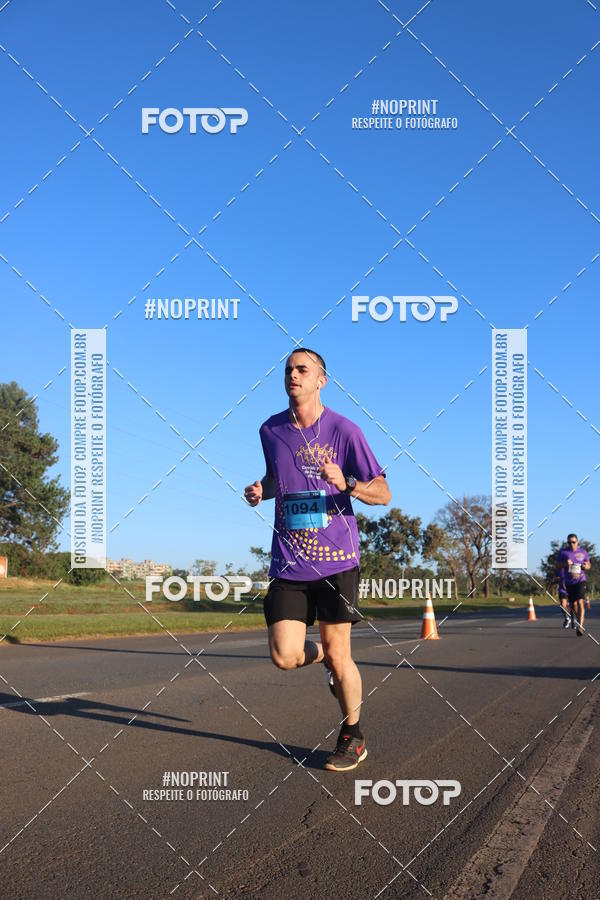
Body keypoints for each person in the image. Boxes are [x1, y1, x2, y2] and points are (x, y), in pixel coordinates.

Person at [244, 348, 391, 771]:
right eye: (288, 370)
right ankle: (324, 656)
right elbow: (277, 480)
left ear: (320, 380)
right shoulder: (270, 430)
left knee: (340, 653)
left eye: (302, 369)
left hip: (336, 560)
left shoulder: (345, 430)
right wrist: (261, 491)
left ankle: (352, 734)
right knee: (285, 655)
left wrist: (348, 483)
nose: (293, 375)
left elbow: (383, 492)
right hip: (289, 561)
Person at [557, 534, 591, 636]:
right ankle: (577, 618)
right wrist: (565, 564)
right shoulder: (563, 552)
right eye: (569, 542)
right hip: (569, 582)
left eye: (573, 542)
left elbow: (588, 564)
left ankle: (580, 627)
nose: (571, 544)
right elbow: (557, 565)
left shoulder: (583, 552)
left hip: (580, 581)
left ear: (577, 542)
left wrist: (586, 566)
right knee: (573, 604)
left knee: (580, 601)